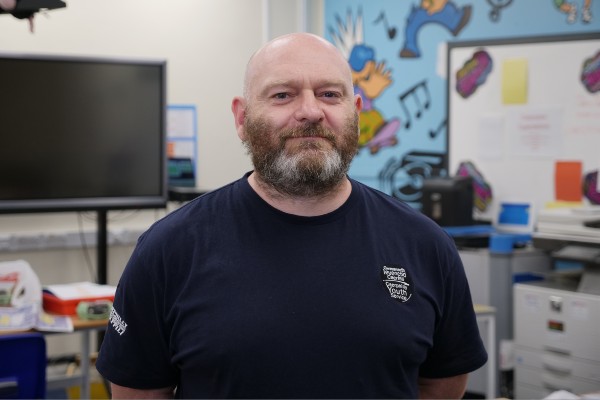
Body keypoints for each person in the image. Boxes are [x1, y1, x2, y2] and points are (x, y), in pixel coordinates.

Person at [96, 32, 487, 399]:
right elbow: (138, 392)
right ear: (242, 118)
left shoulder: (425, 245)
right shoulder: (169, 249)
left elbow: (442, 384)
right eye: (283, 95)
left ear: (355, 113)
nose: (311, 111)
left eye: (329, 94)